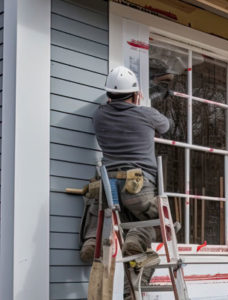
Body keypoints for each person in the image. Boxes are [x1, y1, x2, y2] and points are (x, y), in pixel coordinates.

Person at [81, 66, 171, 292]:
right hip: (138, 183)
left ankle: (92, 240)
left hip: (109, 184)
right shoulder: (146, 113)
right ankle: (134, 241)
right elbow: (166, 126)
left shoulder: (99, 115)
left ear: (109, 94)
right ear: (136, 94)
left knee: (106, 211)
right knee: (148, 221)